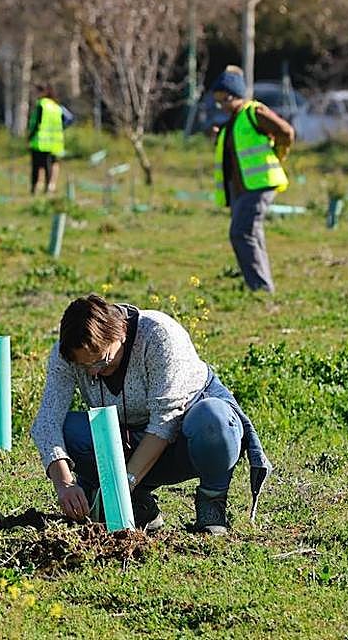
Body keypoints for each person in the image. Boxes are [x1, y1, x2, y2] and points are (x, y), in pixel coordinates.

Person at [30, 294, 271, 535]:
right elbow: (47, 420)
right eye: (85, 367)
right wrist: (64, 484)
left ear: (120, 333)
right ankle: (138, 506)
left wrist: (125, 483)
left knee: (215, 420)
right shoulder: (69, 353)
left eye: (102, 361)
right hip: (129, 438)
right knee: (68, 429)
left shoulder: (158, 335)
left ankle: (211, 503)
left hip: (184, 437)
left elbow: (165, 422)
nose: (93, 373)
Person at [210, 67, 295, 293]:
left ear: (236, 95)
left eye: (224, 99)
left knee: (241, 233)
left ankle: (260, 288)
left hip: (260, 184)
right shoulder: (233, 122)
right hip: (242, 189)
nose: (222, 105)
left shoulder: (253, 112)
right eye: (218, 101)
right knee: (251, 234)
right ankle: (262, 287)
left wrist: (278, 154)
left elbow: (286, 132)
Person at [27, 85, 69, 195]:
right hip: (54, 142)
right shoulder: (57, 107)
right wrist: (61, 128)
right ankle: (49, 187)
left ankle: (34, 188)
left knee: (37, 166)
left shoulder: (41, 105)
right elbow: (69, 118)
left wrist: (30, 136)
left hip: (40, 141)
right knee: (49, 166)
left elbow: (37, 123)